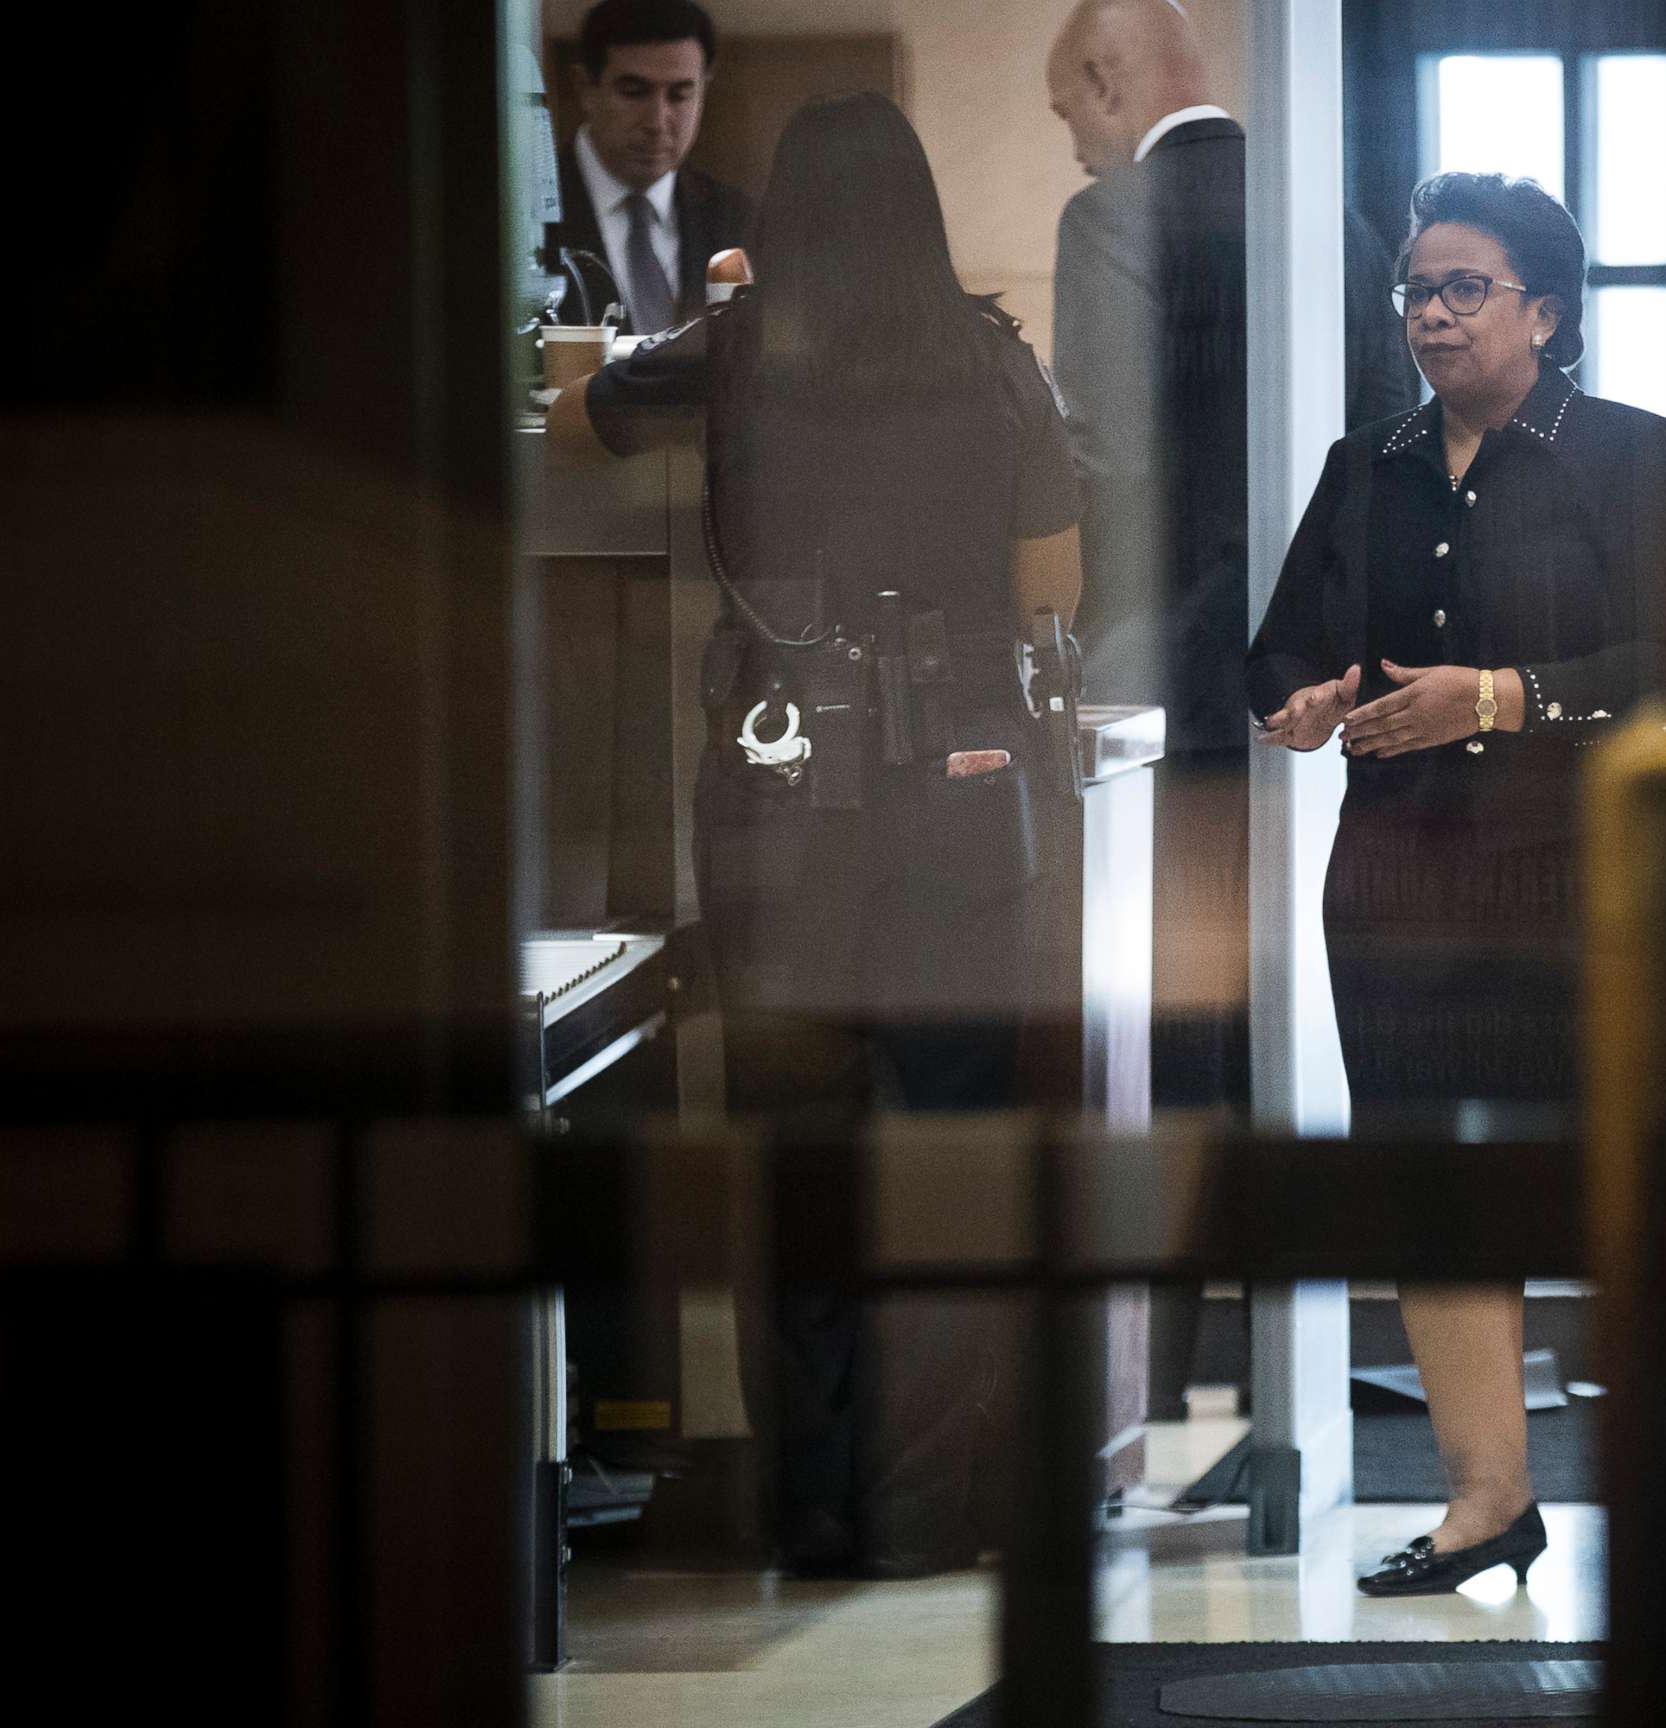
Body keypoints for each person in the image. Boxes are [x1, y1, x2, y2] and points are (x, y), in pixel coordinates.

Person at [585, 91, 1084, 1574]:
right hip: (963, 793)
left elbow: (571, 418)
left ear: (778, 224)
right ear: (924, 218)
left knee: (794, 1149)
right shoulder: (1001, 366)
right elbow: (1051, 588)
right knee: (943, 1148)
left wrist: (725, 299)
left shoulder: (731, 350)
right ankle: (929, 1515)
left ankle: (808, 1505)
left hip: (780, 800)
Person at [1249, 172, 1666, 1595]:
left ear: (1546, 313)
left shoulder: (1627, 456)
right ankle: (1486, 1502)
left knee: (1609, 1188)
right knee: (1434, 1189)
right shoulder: (1362, 464)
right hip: (1396, 879)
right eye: (1417, 293)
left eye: (1463, 290)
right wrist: (1301, 700)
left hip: (1579, 877)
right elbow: (1274, 651)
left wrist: (1499, 697)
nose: (1431, 317)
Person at [1045, 0, 1416, 1116]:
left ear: (1109, 86)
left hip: (1168, 672)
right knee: (1286, 981)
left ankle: (1183, 1266)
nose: (1074, 143)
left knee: (1169, 1007)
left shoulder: (1110, 220)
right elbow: (1389, 430)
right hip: (1320, 679)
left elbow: (1106, 454)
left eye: (1070, 113)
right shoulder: (1331, 218)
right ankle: (1279, 1235)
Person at [558, 0, 755, 332]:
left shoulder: (739, 220)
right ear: (586, 89)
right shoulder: (524, 214)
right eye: (634, 93)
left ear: (703, 91)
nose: (657, 121)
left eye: (679, 95)